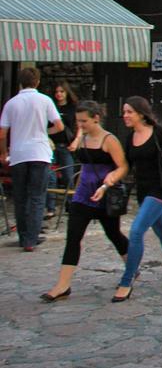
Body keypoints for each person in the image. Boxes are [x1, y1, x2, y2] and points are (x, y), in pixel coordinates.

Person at [40, 100, 130, 302]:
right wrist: (74, 191)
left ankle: (131, 267)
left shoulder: (109, 140)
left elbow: (123, 167)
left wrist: (109, 182)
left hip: (104, 194)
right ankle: (63, 285)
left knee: (114, 233)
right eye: (78, 121)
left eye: (84, 121)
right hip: (83, 194)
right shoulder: (82, 139)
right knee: (73, 237)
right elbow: (83, 165)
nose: (80, 125)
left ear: (96, 118)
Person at [114, 96, 162, 302]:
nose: (125, 116)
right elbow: (126, 166)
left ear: (141, 113)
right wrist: (108, 181)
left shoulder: (158, 133)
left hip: (161, 189)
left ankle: (126, 281)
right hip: (143, 191)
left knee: (136, 231)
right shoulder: (130, 138)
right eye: (124, 112)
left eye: (129, 112)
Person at [0, 67, 64, 251]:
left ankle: (23, 236)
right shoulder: (45, 100)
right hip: (40, 152)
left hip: (19, 154)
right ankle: (32, 238)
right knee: (37, 196)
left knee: (20, 197)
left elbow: (2, 133)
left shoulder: (11, 103)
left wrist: (3, 153)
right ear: (37, 82)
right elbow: (59, 126)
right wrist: (44, 132)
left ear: (20, 82)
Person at [45, 83, 79, 219]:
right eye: (57, 91)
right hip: (51, 145)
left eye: (62, 91)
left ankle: (70, 205)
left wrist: (76, 141)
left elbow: (79, 126)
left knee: (68, 175)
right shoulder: (50, 106)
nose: (59, 94)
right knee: (50, 176)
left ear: (67, 93)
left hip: (66, 145)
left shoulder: (73, 108)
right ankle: (51, 208)